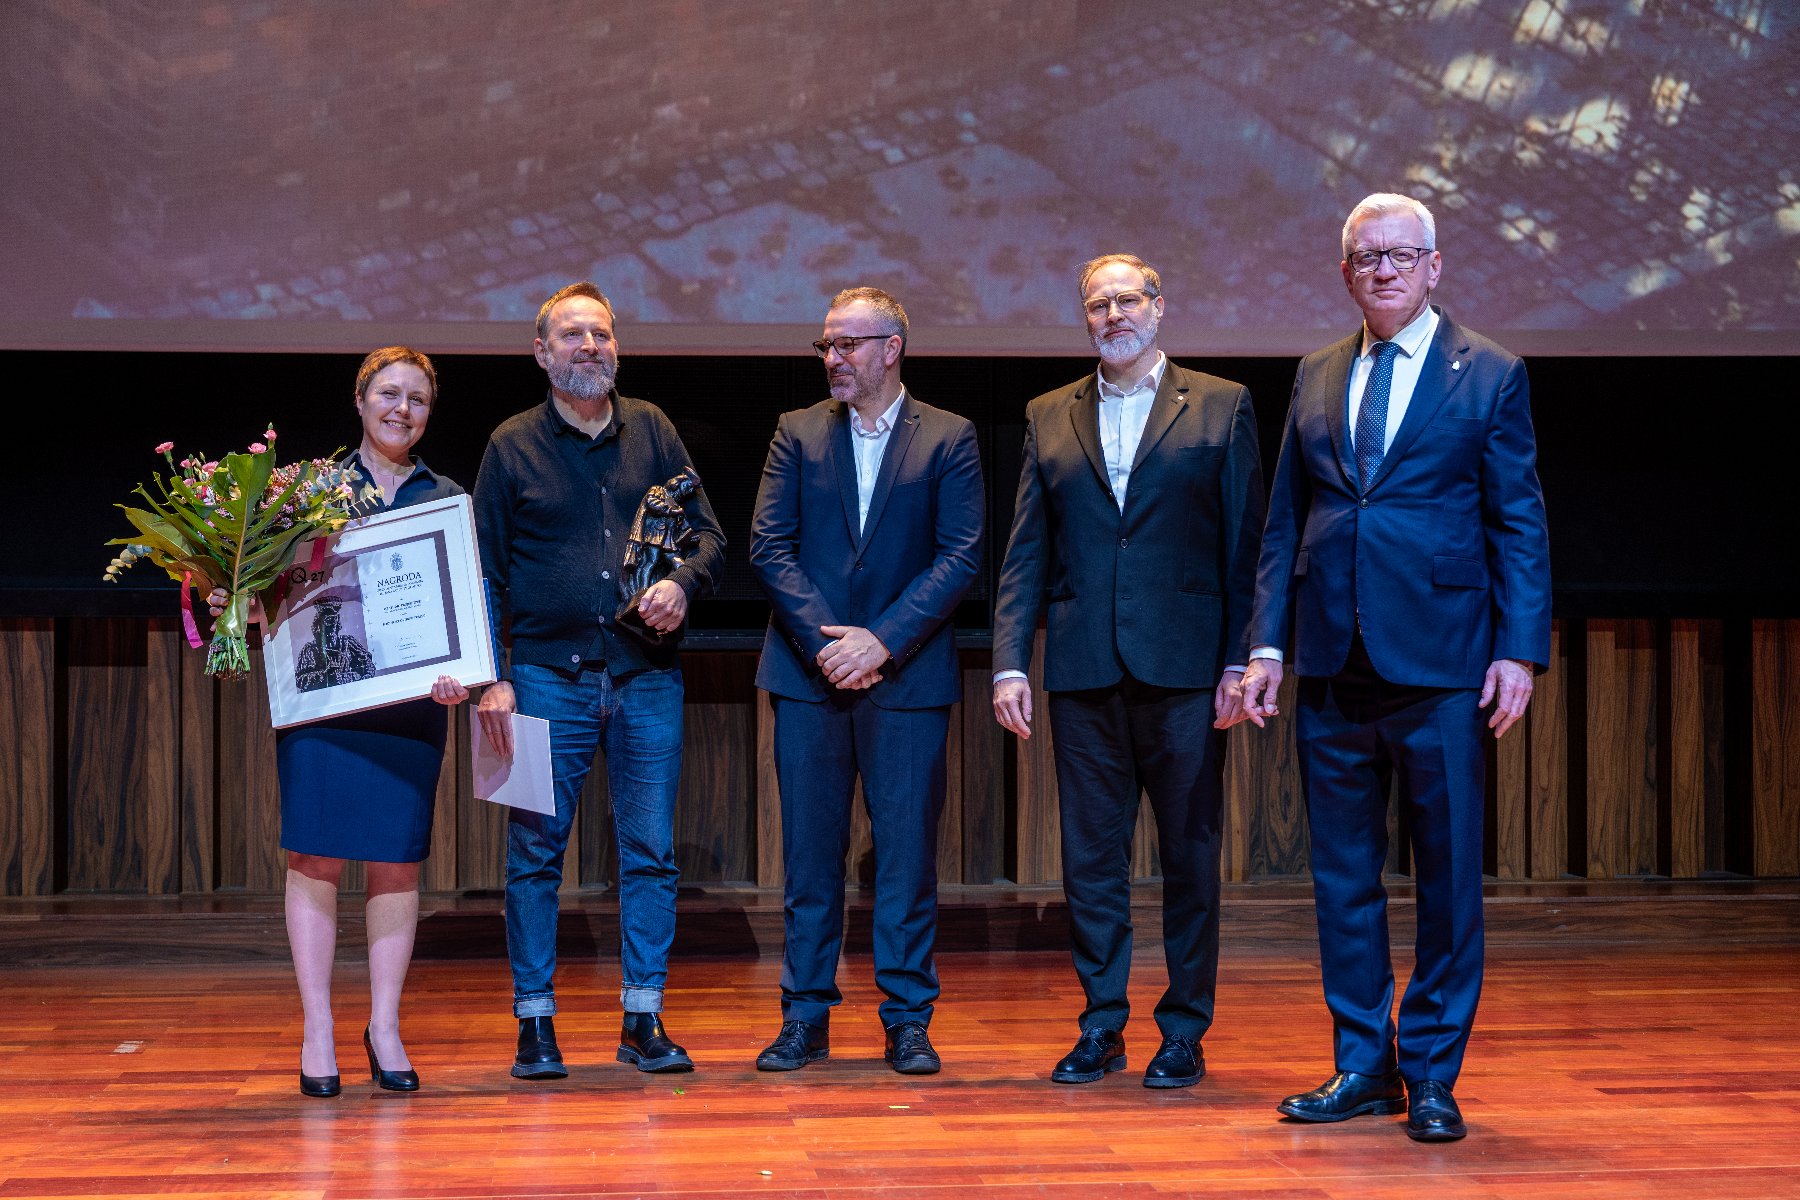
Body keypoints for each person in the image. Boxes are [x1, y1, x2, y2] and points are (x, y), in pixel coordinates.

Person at [1235, 193, 1551, 1141]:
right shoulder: (1316, 372)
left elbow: (1518, 521)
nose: (1382, 270)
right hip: (1333, 661)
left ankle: (1436, 1075)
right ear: (1345, 273)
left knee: (1448, 881)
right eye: (1366, 257)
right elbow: (1285, 519)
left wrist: (1519, 647)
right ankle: (1363, 1066)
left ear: (1434, 267)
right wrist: (1265, 643)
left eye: (1400, 256)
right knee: (1342, 879)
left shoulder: (1490, 372)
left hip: (1445, 663)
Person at [991, 254, 1265, 1089]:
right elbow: (1024, 552)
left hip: (1187, 673)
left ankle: (1183, 1028)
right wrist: (1010, 661)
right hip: (1081, 671)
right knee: (1091, 861)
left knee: (1188, 856)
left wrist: (1239, 658)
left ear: (1158, 305)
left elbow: (1246, 546)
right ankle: (1100, 1024)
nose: (1113, 314)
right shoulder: (1048, 414)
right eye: (1097, 303)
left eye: (1127, 299)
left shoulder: (1221, 403)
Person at [473, 281, 724, 1080]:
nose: (591, 347)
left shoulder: (652, 429)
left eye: (602, 335)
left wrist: (682, 584)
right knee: (535, 856)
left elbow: (708, 537)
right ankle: (535, 1026)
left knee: (649, 854)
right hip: (544, 681)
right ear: (541, 353)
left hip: (646, 679)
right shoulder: (510, 444)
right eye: (573, 335)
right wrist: (493, 679)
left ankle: (643, 1019)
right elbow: (483, 574)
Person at [211, 345, 469, 1097]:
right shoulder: (310, 492)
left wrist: (465, 670)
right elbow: (263, 586)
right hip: (325, 707)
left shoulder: (445, 494)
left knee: (396, 860)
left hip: (415, 708)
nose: (402, 410)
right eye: (388, 394)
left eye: (418, 400)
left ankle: (384, 1025)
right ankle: (317, 1026)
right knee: (317, 857)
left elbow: (466, 598)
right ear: (359, 401)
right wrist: (249, 608)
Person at [748, 287, 983, 1074]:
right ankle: (804, 1016)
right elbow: (769, 547)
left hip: (906, 678)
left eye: (847, 345)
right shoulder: (796, 432)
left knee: (907, 859)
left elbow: (961, 557)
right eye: (826, 346)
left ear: (892, 348)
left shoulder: (950, 436)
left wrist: (880, 641)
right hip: (811, 677)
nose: (832, 360)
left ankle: (908, 1019)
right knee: (809, 859)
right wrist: (831, 647)